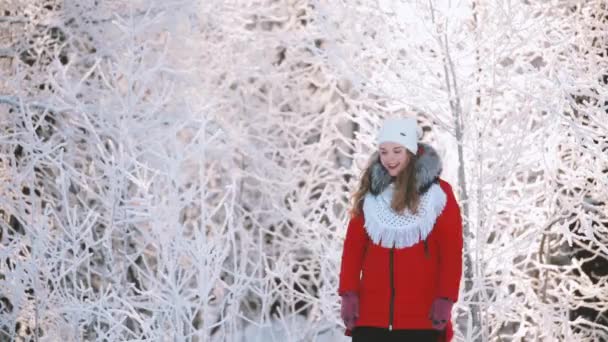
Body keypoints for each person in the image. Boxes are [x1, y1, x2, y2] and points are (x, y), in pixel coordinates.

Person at [338, 117, 463, 342]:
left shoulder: (438, 195)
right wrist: (349, 293)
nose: (390, 159)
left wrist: (445, 298)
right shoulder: (370, 195)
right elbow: (353, 249)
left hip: (422, 318)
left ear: (411, 151)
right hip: (371, 319)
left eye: (397, 151)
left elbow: (451, 252)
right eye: (384, 152)